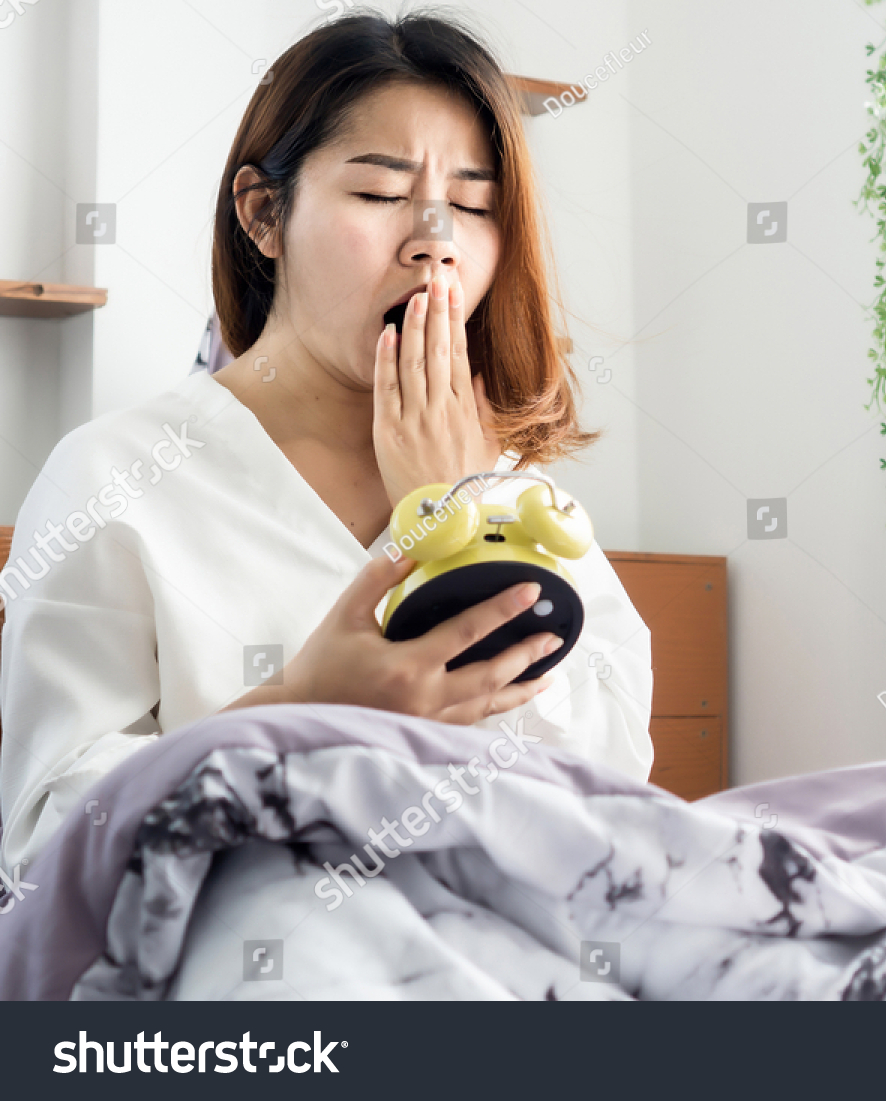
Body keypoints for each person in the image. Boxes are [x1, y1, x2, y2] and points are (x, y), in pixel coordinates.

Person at [0, 9, 653, 872]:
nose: (436, 243)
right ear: (264, 215)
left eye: (472, 204)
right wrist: (298, 705)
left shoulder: (516, 494)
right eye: (381, 195)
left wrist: (459, 517)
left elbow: (610, 806)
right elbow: (48, 846)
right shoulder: (113, 475)